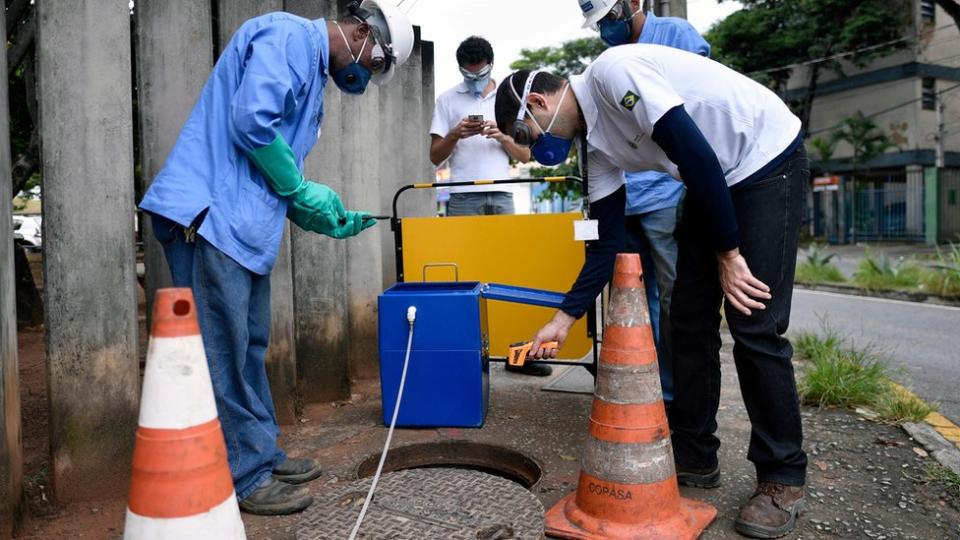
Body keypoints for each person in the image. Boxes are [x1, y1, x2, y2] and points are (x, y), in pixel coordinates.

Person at [495, 44, 809, 538]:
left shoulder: (613, 72)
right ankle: (695, 454)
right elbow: (607, 244)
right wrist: (564, 318)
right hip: (710, 180)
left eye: (523, 135)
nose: (532, 150)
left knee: (754, 320)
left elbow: (695, 153)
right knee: (686, 316)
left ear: (536, 101)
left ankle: (782, 477)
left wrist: (729, 255)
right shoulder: (596, 149)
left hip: (764, 159)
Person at [139, 1, 414, 515]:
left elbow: (274, 162)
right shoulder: (288, 37)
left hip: (240, 226)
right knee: (224, 348)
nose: (365, 74)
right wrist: (299, 188)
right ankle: (245, 474)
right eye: (375, 63)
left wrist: (312, 210)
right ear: (361, 31)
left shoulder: (311, 73)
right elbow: (251, 122)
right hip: (209, 217)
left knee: (249, 346)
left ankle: (261, 453)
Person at [585, 0, 711, 405]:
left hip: (666, 192)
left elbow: (699, 108)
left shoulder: (678, 36)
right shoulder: (610, 58)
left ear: (634, 3)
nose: (605, 28)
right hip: (626, 197)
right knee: (637, 300)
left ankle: (680, 396)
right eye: (598, 23)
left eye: (609, 18)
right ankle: (649, 390)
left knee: (676, 297)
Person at [428, 36, 549, 377]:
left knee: (509, 272)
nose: (475, 80)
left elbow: (527, 155)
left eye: (479, 74)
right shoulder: (447, 99)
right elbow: (435, 156)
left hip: (503, 192)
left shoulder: (511, 99)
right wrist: (454, 134)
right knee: (462, 274)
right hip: (462, 196)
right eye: (469, 74)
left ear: (491, 67)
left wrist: (503, 136)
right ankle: (466, 352)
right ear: (461, 70)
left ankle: (516, 353)